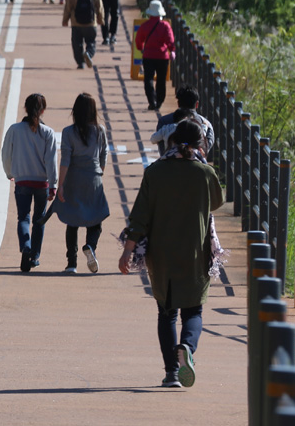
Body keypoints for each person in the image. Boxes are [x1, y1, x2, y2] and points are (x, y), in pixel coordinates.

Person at [119, 120, 224, 388]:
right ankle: (187, 346)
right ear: (201, 144)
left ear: (172, 141)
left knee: (167, 314)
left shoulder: (154, 172)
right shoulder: (205, 173)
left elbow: (139, 217)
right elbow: (218, 201)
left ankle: (171, 373)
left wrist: (127, 252)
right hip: (194, 253)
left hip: (162, 255)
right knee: (194, 312)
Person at [1, 93, 59, 273]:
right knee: (39, 220)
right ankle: (35, 256)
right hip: (42, 183)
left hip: (22, 181)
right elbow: (51, 161)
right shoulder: (48, 132)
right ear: (43, 111)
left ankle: (25, 246)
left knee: (23, 217)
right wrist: (53, 185)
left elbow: (6, 154)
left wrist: (10, 172)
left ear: (25, 108)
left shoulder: (14, 129)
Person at [54, 94, 109, 273]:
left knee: (72, 219)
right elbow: (103, 155)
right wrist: (99, 171)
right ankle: (90, 247)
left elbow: (65, 160)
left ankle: (71, 263)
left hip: (74, 178)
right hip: (93, 177)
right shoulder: (100, 130)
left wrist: (60, 184)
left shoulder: (69, 132)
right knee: (96, 218)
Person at [135, 0, 175, 111]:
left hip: (148, 56)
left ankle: (152, 100)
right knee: (161, 80)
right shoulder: (165, 26)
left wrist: (141, 48)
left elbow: (138, 40)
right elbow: (170, 40)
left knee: (148, 78)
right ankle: (159, 101)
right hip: (162, 57)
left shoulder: (145, 26)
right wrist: (172, 50)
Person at [152, 84, 215, 155]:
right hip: (196, 163)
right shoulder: (206, 124)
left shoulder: (164, 121)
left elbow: (161, 146)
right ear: (197, 104)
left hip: (169, 163)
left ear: (178, 103)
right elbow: (206, 148)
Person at [62, 0, 104, 69]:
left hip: (76, 22)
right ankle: (89, 53)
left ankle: (80, 62)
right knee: (91, 41)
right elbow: (99, 6)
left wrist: (65, 20)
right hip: (91, 22)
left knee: (77, 43)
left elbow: (68, 7)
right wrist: (100, 19)